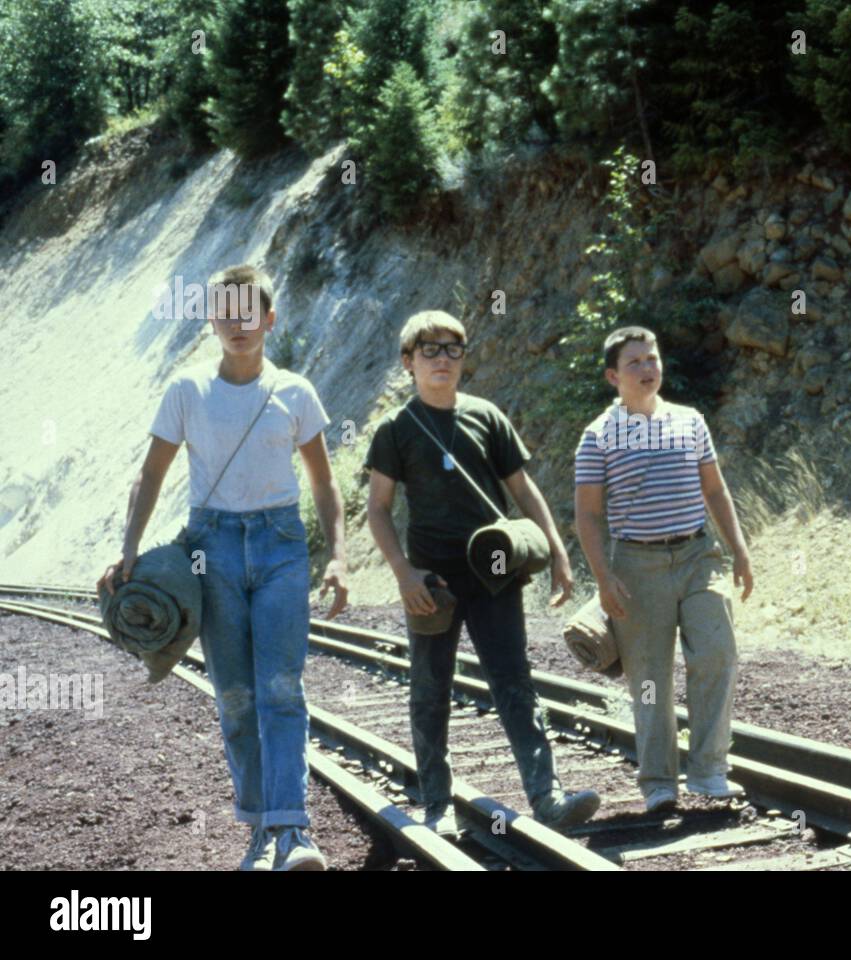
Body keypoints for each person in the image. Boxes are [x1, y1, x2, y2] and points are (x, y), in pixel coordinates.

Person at [98, 264, 349, 870]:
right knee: (235, 696)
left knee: (282, 689)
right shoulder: (187, 390)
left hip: (281, 544)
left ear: (269, 319)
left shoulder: (295, 390)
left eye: (248, 312)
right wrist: (129, 548)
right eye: (224, 312)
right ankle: (260, 833)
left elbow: (323, 482)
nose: (237, 324)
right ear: (211, 320)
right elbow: (151, 474)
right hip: (212, 550)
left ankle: (292, 832)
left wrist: (339, 555)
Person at [365, 310, 600, 833]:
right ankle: (437, 805)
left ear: (463, 359)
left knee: (514, 682)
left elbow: (522, 489)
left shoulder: (487, 416)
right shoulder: (395, 430)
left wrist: (559, 554)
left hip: (494, 573)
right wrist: (404, 574)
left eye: (453, 349)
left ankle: (547, 797)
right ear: (409, 362)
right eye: (430, 350)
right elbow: (377, 508)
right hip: (432, 584)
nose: (443, 359)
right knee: (430, 689)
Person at [573, 326, 754, 813]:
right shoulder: (598, 436)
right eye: (634, 362)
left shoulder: (690, 421)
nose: (647, 368)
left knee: (716, 651)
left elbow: (715, 491)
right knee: (650, 677)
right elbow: (588, 515)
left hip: (698, 556)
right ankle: (658, 782)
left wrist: (738, 549)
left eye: (652, 358)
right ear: (614, 375)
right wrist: (603, 577)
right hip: (637, 565)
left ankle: (710, 771)